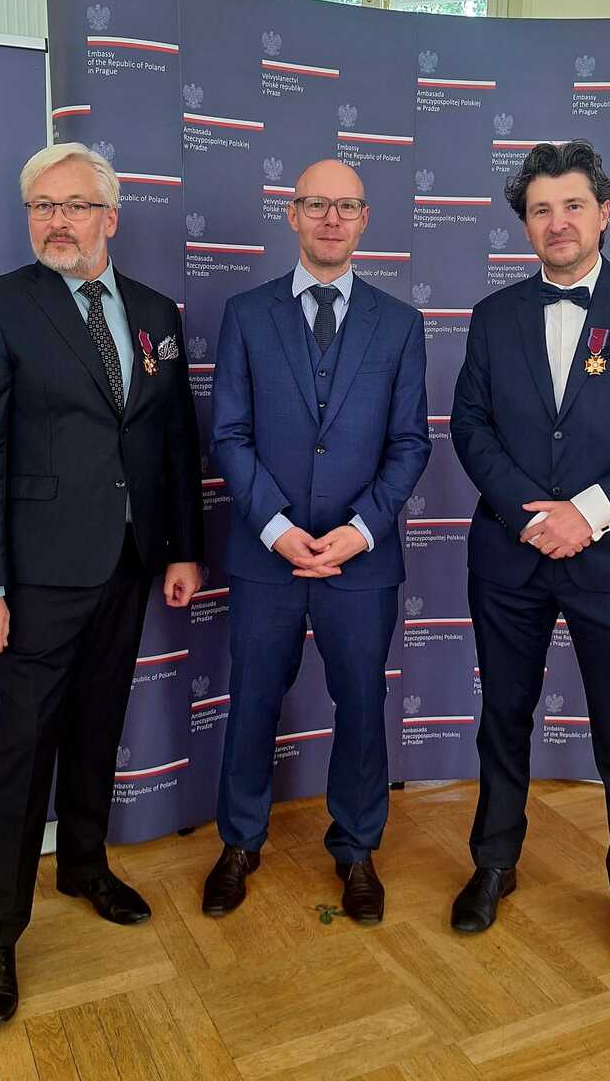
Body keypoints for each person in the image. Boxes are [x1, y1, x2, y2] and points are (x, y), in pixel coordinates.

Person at [0, 142, 203, 1025]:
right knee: (22, 751)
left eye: (76, 206)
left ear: (110, 218)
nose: (58, 221)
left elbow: (174, 440)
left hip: (128, 564)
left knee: (98, 727)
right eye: (42, 207)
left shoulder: (155, 313)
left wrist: (182, 548)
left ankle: (85, 867)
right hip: (35, 578)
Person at [449, 140, 610, 969]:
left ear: (605, 213)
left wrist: (586, 515)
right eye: (540, 210)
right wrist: (534, 517)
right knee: (503, 720)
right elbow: (470, 427)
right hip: (512, 556)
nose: (556, 222)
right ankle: (494, 863)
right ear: (524, 225)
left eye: (572, 206)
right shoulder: (493, 317)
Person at [204, 159, 430, 922]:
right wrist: (276, 529)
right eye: (316, 204)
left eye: (346, 206)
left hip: (361, 563)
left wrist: (359, 532)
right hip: (265, 555)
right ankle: (239, 842)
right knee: (252, 701)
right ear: (292, 214)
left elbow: (410, 444)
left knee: (362, 704)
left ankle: (357, 847)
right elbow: (229, 434)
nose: (331, 218)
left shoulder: (400, 325)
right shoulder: (246, 314)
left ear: (365, 219)